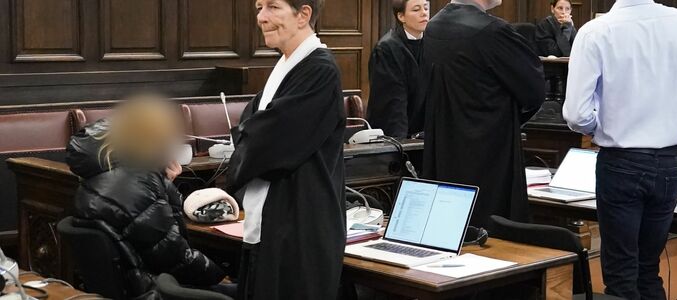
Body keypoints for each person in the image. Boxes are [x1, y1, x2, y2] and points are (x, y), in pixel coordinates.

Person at [563, 0, 677, 299]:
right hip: (672, 162)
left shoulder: (596, 31)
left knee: (621, 273)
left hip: (622, 161)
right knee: (648, 268)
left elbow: (576, 115)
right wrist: (669, 115)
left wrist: (604, 126)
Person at [226, 0, 346, 299]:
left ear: (304, 14)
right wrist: (249, 137)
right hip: (275, 220)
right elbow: (252, 131)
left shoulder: (319, 69)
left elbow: (265, 144)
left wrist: (247, 139)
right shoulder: (285, 67)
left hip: (300, 225)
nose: (261, 18)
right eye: (258, 8)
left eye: (273, 7)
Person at [66, 96, 227, 299]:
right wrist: (225, 271)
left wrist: (164, 181)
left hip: (136, 284)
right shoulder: (139, 185)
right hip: (151, 290)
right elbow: (177, 260)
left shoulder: (102, 172)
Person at [421, 0, 546, 228]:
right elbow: (534, 89)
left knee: (451, 227)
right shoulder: (493, 31)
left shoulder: (434, 25)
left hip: (445, 144)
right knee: (493, 230)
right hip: (490, 151)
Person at [366, 0, 429, 138]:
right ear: (401, 16)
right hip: (397, 133)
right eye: (416, 9)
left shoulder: (433, 43)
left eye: (425, 8)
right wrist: (401, 144)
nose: (424, 13)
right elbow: (392, 104)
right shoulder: (386, 49)